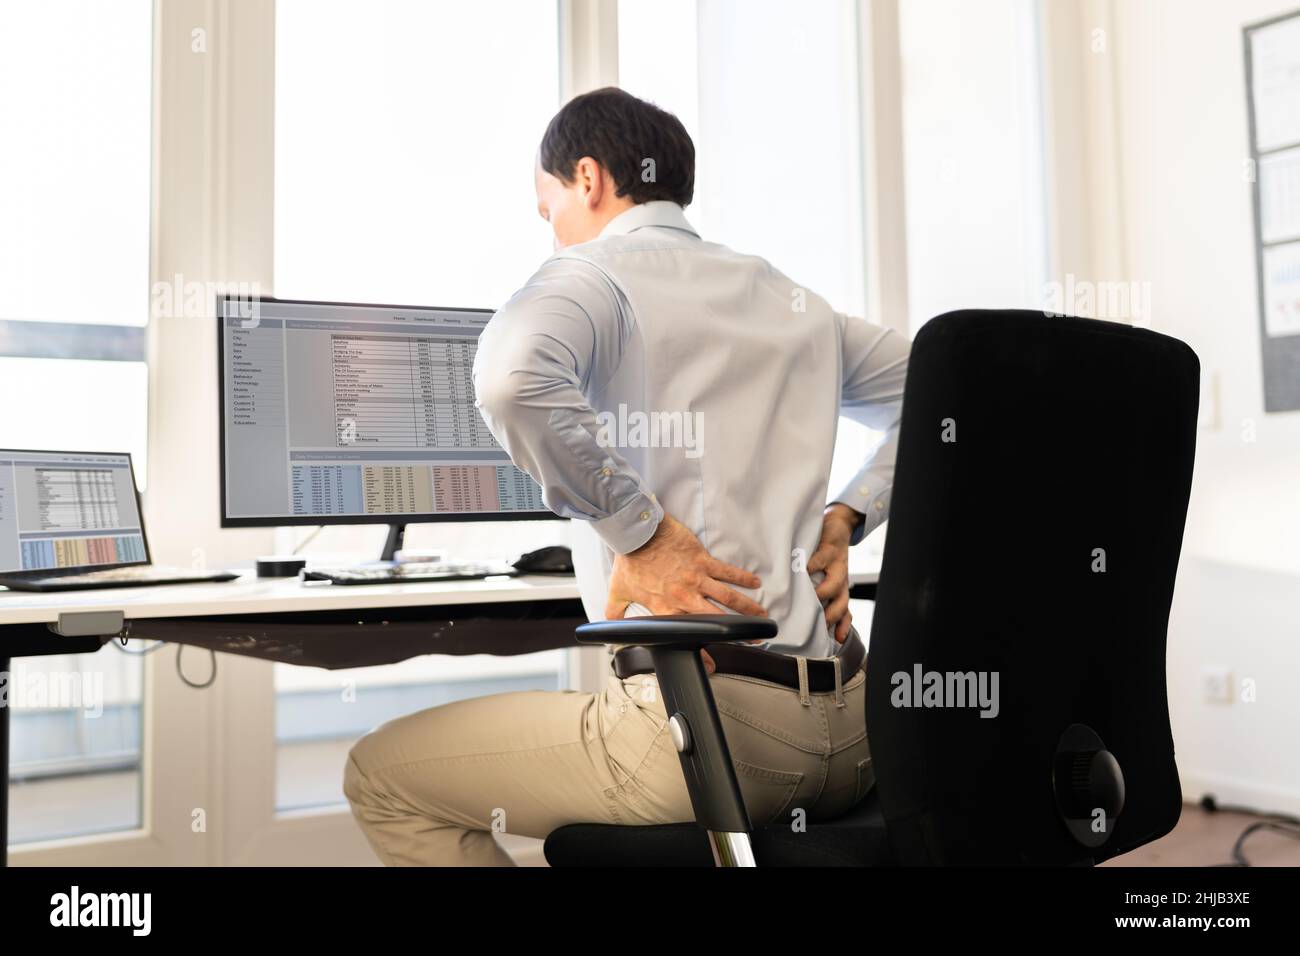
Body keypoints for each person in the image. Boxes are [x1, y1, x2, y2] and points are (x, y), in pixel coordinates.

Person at [342, 87, 910, 866]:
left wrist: (639, 534)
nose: (553, 233)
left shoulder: (592, 277)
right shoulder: (795, 301)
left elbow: (511, 380)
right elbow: (945, 396)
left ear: (588, 180)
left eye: (549, 211)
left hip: (713, 740)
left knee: (381, 773)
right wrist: (848, 515)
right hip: (859, 735)